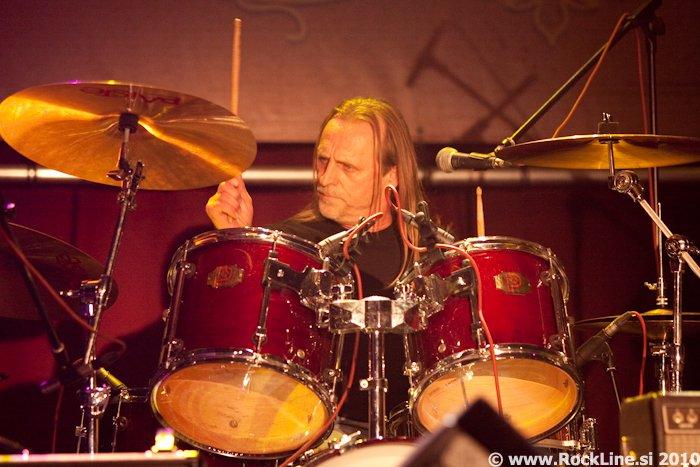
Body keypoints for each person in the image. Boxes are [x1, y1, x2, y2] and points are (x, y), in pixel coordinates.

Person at [205, 96, 426, 425]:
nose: (325, 178)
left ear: (391, 174)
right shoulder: (287, 245)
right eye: (323, 160)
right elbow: (236, 351)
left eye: (347, 167)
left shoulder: (429, 256)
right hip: (302, 433)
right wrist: (239, 243)